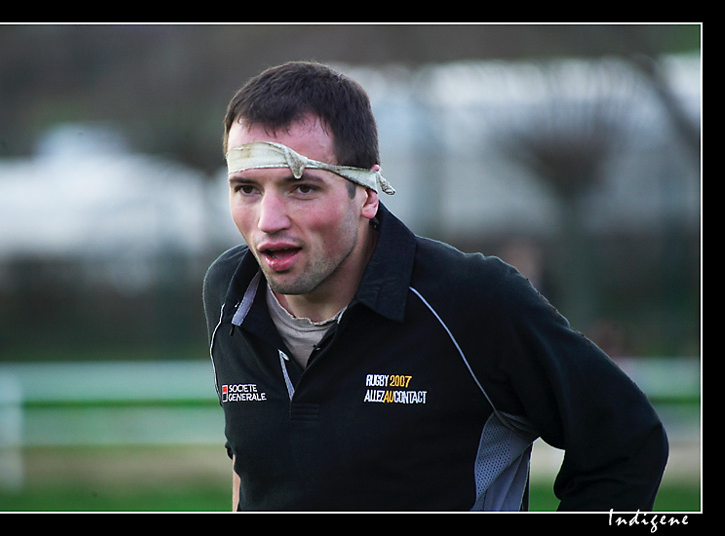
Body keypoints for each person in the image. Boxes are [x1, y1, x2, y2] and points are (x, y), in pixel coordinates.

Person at [202, 61, 668, 512]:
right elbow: (251, 470)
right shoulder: (229, 292)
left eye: (302, 188)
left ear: (366, 193)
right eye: (246, 189)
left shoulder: (472, 300)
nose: (268, 221)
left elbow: (627, 444)